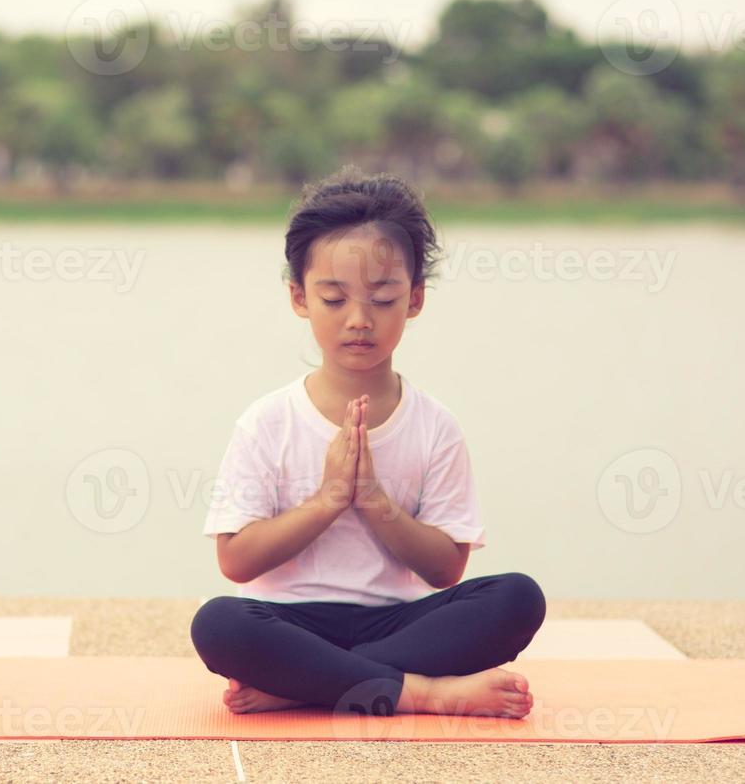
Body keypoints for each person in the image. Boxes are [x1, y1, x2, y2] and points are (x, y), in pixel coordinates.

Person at [190, 168, 546, 718]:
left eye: (383, 298)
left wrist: (375, 501)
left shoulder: (435, 425)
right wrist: (329, 499)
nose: (359, 320)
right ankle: (421, 693)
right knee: (218, 623)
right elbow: (235, 561)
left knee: (518, 598)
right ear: (299, 297)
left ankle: (309, 684)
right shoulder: (268, 421)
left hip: (396, 619)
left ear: (415, 298)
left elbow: (445, 570)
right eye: (334, 299)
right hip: (289, 619)